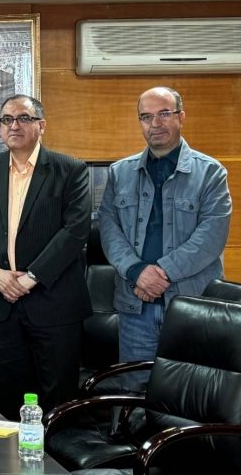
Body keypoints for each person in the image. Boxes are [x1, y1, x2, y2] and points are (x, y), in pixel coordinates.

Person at [0, 94, 90, 414]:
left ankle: (57, 463)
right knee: (8, 394)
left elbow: (75, 232)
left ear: (41, 125)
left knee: (57, 398)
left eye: (23, 118)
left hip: (54, 304)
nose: (13, 125)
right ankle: (13, 464)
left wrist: (31, 278)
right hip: (1, 304)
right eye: (6, 120)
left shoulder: (70, 170)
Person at [97, 87, 231, 388]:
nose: (154, 123)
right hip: (136, 304)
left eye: (164, 113)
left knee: (191, 395)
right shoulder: (120, 172)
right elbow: (108, 228)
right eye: (146, 116)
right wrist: (137, 272)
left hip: (191, 306)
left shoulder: (211, 173)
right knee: (133, 392)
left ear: (181, 117)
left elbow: (210, 237)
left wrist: (160, 274)